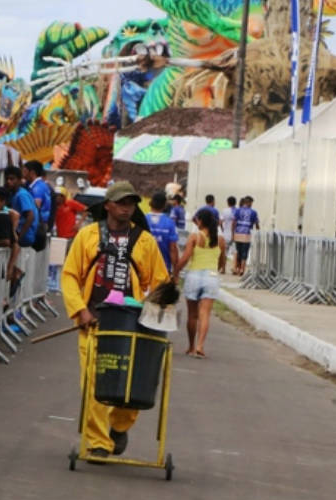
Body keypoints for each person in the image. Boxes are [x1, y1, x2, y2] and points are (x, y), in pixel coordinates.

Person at [60, 181, 168, 460]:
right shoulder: (87, 236)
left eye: (131, 203)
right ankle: (98, 442)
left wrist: (154, 314)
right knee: (93, 385)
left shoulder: (145, 241)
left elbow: (160, 283)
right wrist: (79, 310)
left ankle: (119, 426)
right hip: (94, 323)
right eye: (121, 202)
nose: (126, 208)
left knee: (132, 385)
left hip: (132, 326)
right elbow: (70, 275)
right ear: (107, 205)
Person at [176, 208, 225, 358]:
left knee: (192, 315)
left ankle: (191, 346)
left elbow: (184, 258)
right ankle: (200, 346)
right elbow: (222, 263)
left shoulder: (195, 237)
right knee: (205, 315)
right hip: (211, 277)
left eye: (197, 219)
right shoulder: (220, 240)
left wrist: (175, 272)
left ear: (201, 221)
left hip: (194, 276)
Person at [145, 191, 181, 275]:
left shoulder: (142, 220)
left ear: (150, 203)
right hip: (163, 268)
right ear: (164, 205)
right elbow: (173, 248)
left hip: (144, 267)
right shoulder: (170, 223)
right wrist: (175, 270)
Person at [3, 166, 38, 248]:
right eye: (7, 179)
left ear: (19, 180)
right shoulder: (13, 194)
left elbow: (30, 216)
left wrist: (19, 238)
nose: (8, 182)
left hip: (25, 236)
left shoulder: (21, 195)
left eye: (12, 179)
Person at [231, 195, 260, 277]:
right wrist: (258, 233)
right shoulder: (253, 212)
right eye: (251, 203)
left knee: (238, 251)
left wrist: (233, 233)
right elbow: (256, 224)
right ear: (249, 202)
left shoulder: (237, 211)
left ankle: (237, 268)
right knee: (245, 252)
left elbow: (234, 223)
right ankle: (242, 269)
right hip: (247, 234)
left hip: (238, 233)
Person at [23, 160, 53, 231]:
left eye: (25, 172)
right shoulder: (40, 185)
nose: (23, 175)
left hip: (37, 226)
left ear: (32, 173)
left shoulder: (37, 188)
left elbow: (36, 207)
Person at [218, 195, 237, 274]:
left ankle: (223, 269)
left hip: (226, 233)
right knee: (235, 252)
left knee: (224, 252)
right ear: (235, 203)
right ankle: (234, 269)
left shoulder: (225, 211)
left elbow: (220, 222)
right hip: (236, 234)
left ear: (227, 203)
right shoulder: (237, 211)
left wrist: (222, 229)